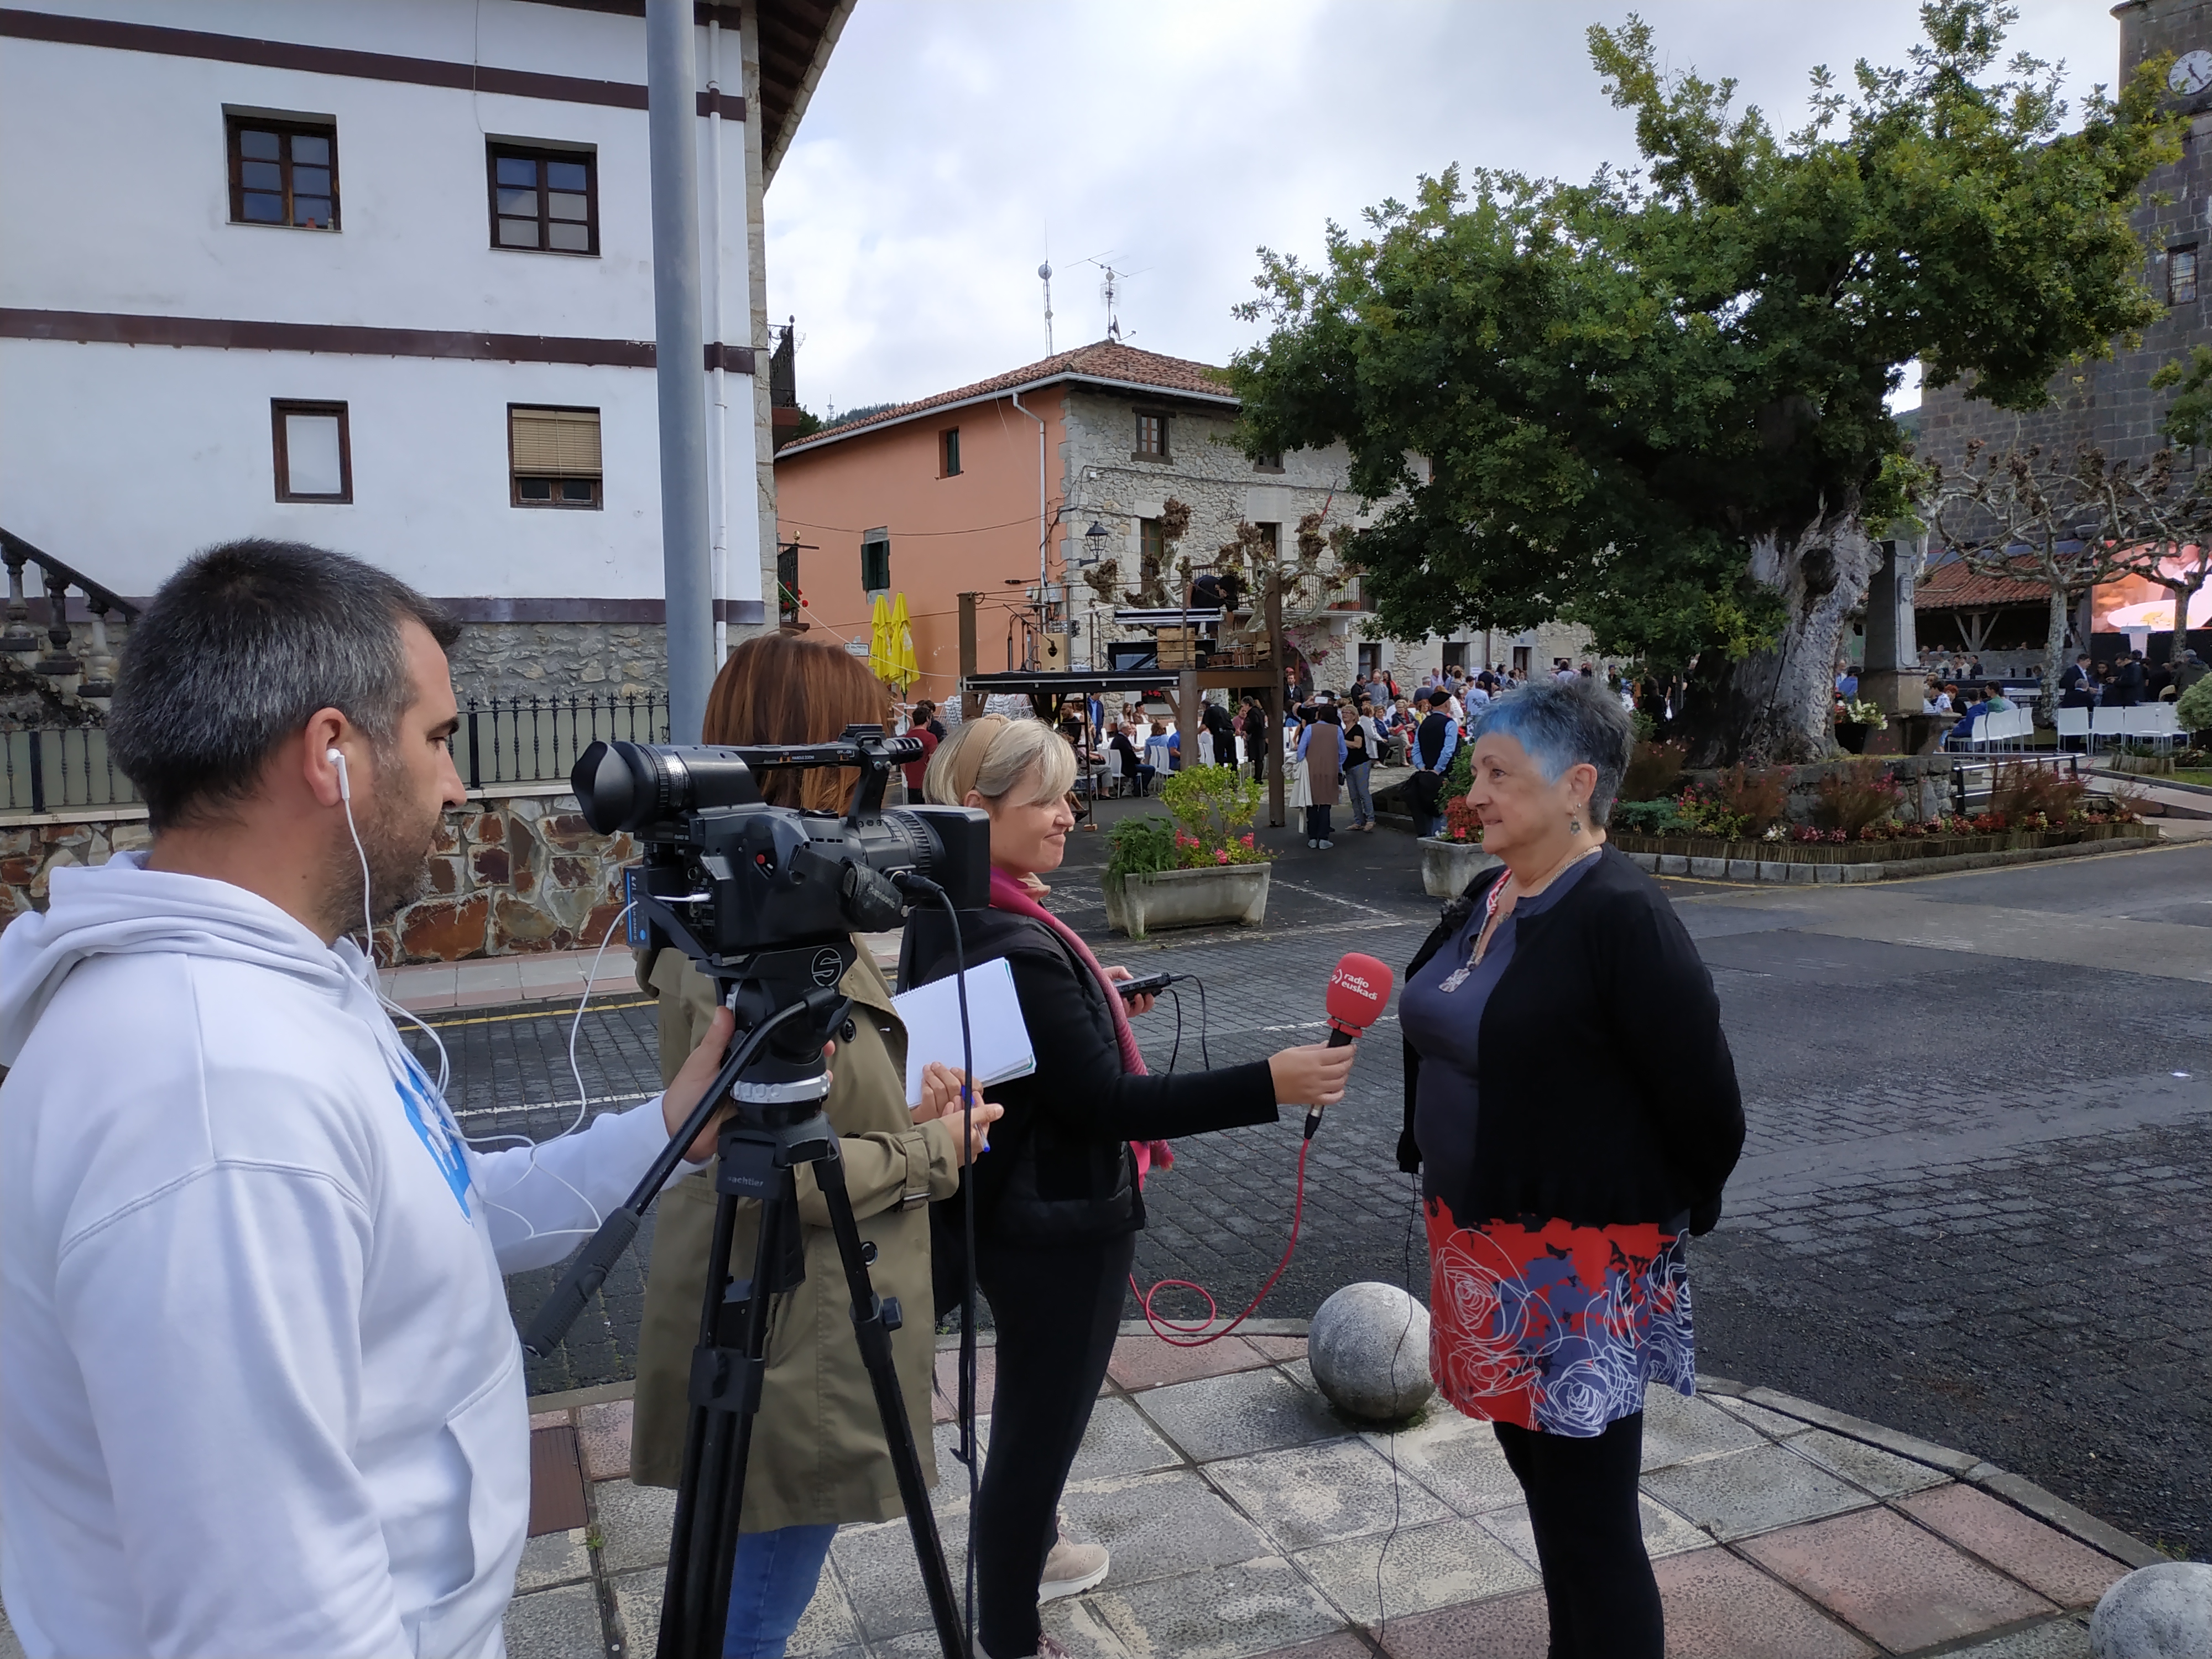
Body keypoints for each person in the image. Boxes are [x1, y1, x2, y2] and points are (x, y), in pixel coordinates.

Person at [0, 541, 742, 1656]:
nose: (456, 782)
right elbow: (270, 1624)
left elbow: (449, 1210)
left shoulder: (280, 990)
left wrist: (670, 1131)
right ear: (332, 754)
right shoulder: (216, 1100)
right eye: (438, 738)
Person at [908, 717, 1359, 1659]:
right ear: (973, 813)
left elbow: (1012, 1057)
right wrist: (1270, 1083)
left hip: (1010, 1212)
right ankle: (1014, 1637)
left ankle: (1040, 1559)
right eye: (1044, 801)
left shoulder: (960, 913)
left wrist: (1095, 997)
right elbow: (1110, 1103)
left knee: (1033, 1422)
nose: (1069, 817)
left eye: (1067, 795)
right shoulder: (1012, 940)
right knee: (1037, 1441)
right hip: (1058, 1225)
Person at [628, 634, 1001, 1656]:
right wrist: (937, 1148)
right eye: (860, 743)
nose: (878, 773)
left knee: (743, 1594)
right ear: (806, 757)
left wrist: (904, 1102)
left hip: (795, 1317)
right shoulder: (739, 938)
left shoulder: (770, 910)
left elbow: (817, 1102)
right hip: (790, 1332)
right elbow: (779, 1168)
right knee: (750, 1620)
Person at [1397, 679, 1744, 1658]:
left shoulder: (1622, 915)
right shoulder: (1496, 890)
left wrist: (1655, 1214)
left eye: (1500, 775)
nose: (1476, 795)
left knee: (1590, 1522)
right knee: (1546, 1497)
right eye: (1476, 774)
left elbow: (1707, 1102)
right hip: (1479, 1240)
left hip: (1576, 1267)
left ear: (1576, 786)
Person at [1410, 687, 1460, 837]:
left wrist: (1422, 767)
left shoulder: (1423, 724)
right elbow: (1448, 750)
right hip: (1443, 774)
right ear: (1445, 705)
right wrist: (1438, 769)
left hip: (1425, 774)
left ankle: (1429, 839)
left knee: (1428, 809)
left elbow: (1416, 749)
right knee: (1442, 810)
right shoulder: (1449, 724)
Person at [1300, 702, 1348, 847]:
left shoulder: (1310, 729)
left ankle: (1312, 837)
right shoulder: (1337, 730)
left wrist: (1303, 762)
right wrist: (1337, 763)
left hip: (1311, 769)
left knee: (1312, 803)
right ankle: (1324, 837)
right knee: (1326, 803)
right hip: (1331, 769)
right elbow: (1343, 752)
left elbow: (1301, 750)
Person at [901, 697, 943, 801]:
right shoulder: (930, 738)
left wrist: (908, 775)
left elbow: (902, 762)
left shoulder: (906, 737)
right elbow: (933, 760)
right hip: (927, 783)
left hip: (912, 782)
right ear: (928, 719)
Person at [1110, 722, 1155, 796]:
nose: (1131, 731)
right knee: (1151, 769)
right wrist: (1139, 761)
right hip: (1127, 767)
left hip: (1121, 766)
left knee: (1146, 768)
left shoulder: (1117, 739)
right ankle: (1141, 789)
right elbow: (1130, 755)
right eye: (1129, 729)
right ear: (1123, 730)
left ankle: (1138, 788)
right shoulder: (1123, 740)